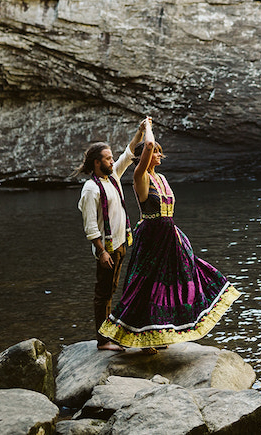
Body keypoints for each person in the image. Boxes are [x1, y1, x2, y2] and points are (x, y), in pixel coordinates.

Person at [99, 120, 240, 350]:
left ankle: (161, 331)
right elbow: (147, 144)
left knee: (174, 283)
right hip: (151, 237)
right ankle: (141, 337)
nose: (156, 154)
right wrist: (146, 129)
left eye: (157, 152)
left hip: (170, 235)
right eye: (152, 151)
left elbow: (169, 210)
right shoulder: (139, 177)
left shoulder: (162, 178)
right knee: (146, 286)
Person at [77, 118, 149, 351]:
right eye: (108, 158)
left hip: (119, 243)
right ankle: (103, 340)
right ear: (97, 162)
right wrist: (101, 252)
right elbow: (90, 226)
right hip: (106, 249)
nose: (112, 160)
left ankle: (110, 333)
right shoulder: (90, 188)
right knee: (103, 293)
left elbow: (128, 155)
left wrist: (139, 133)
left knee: (112, 290)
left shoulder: (113, 177)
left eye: (111, 158)